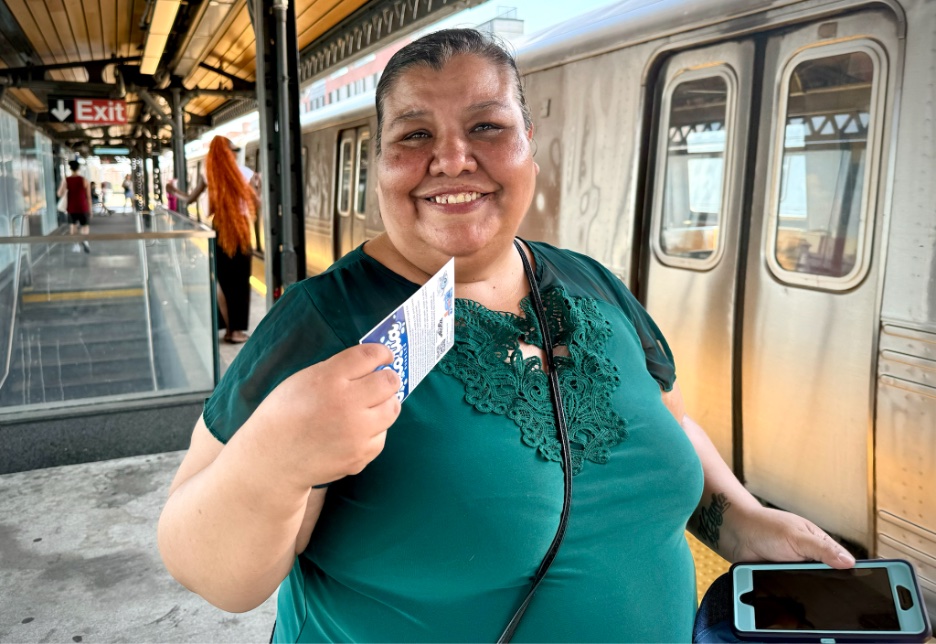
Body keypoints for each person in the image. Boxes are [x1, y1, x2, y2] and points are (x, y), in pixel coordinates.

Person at [158, 29, 855, 642]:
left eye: (487, 127)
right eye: (415, 134)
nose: (453, 159)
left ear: (529, 147)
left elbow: (671, 429)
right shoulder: (324, 320)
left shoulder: (592, 283)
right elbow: (206, 568)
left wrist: (741, 520)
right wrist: (275, 457)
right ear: (379, 166)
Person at [167, 137, 258, 343]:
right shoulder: (244, 173)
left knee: (224, 281)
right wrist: (258, 186)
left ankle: (227, 329)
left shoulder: (208, 174)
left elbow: (189, 199)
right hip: (240, 230)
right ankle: (236, 331)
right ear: (229, 152)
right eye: (233, 150)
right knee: (240, 281)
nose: (235, 154)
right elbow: (257, 202)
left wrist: (174, 192)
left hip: (220, 229)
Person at [57, 160, 91, 253]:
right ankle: (85, 240)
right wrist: (90, 210)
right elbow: (88, 197)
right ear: (78, 168)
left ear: (70, 168)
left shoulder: (66, 180)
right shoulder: (84, 180)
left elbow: (59, 193)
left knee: (73, 226)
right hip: (83, 206)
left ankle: (76, 245)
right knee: (85, 226)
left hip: (71, 207)